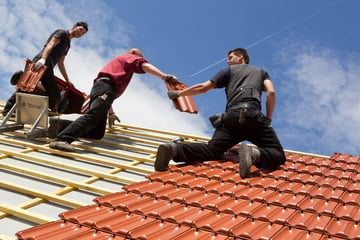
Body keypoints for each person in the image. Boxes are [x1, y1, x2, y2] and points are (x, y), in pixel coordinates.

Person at [155, 48, 286, 178]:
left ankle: (174, 149)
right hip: (253, 117)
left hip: (231, 118)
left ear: (241, 57)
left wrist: (178, 93)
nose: (227, 61)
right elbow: (271, 92)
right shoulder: (261, 72)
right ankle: (255, 155)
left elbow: (203, 88)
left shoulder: (227, 72)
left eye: (230, 58)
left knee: (212, 150)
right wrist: (268, 119)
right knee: (277, 154)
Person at [49, 48, 178, 152]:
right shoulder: (129, 57)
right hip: (105, 88)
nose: (141, 60)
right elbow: (144, 65)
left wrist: (111, 113)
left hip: (103, 89)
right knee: (93, 116)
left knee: (97, 132)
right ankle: (61, 139)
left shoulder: (120, 66)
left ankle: (60, 125)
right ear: (133, 53)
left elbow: (107, 96)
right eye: (140, 57)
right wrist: (164, 76)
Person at [2, 21, 88, 116]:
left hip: (49, 67)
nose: (81, 33)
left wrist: (68, 80)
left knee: (55, 94)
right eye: (80, 30)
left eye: (83, 33)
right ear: (75, 26)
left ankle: (31, 108)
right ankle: (8, 110)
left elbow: (61, 63)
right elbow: (50, 44)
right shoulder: (62, 33)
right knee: (27, 85)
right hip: (42, 60)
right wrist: (43, 59)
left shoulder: (68, 44)